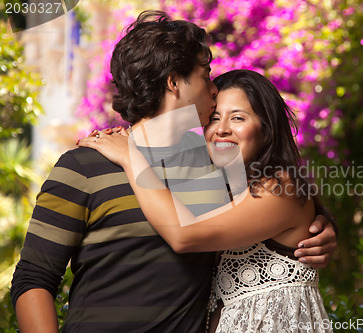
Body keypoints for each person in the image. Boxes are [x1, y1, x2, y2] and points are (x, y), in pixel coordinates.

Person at [10, 11, 336, 332]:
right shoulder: (84, 166)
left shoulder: (211, 172)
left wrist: (320, 228)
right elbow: (34, 279)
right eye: (205, 75)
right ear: (174, 82)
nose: (213, 89)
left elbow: (272, 215)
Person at [78, 69, 336, 332]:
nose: (222, 129)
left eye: (237, 118)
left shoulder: (281, 185)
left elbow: (184, 236)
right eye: (214, 118)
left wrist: (131, 157)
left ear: (266, 130)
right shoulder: (219, 186)